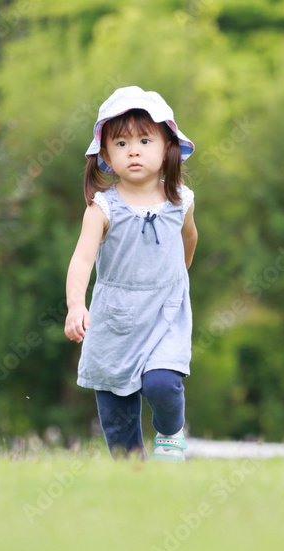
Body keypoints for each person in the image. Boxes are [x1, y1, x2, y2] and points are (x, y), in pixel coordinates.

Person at [64, 86, 198, 462]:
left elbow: (189, 237)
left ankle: (171, 435)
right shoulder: (102, 208)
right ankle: (134, 482)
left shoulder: (180, 201)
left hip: (164, 311)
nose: (134, 150)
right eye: (121, 143)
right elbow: (81, 261)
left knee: (162, 382)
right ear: (105, 155)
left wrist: (177, 280)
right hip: (114, 317)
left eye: (144, 140)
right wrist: (76, 305)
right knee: (118, 420)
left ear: (168, 147)